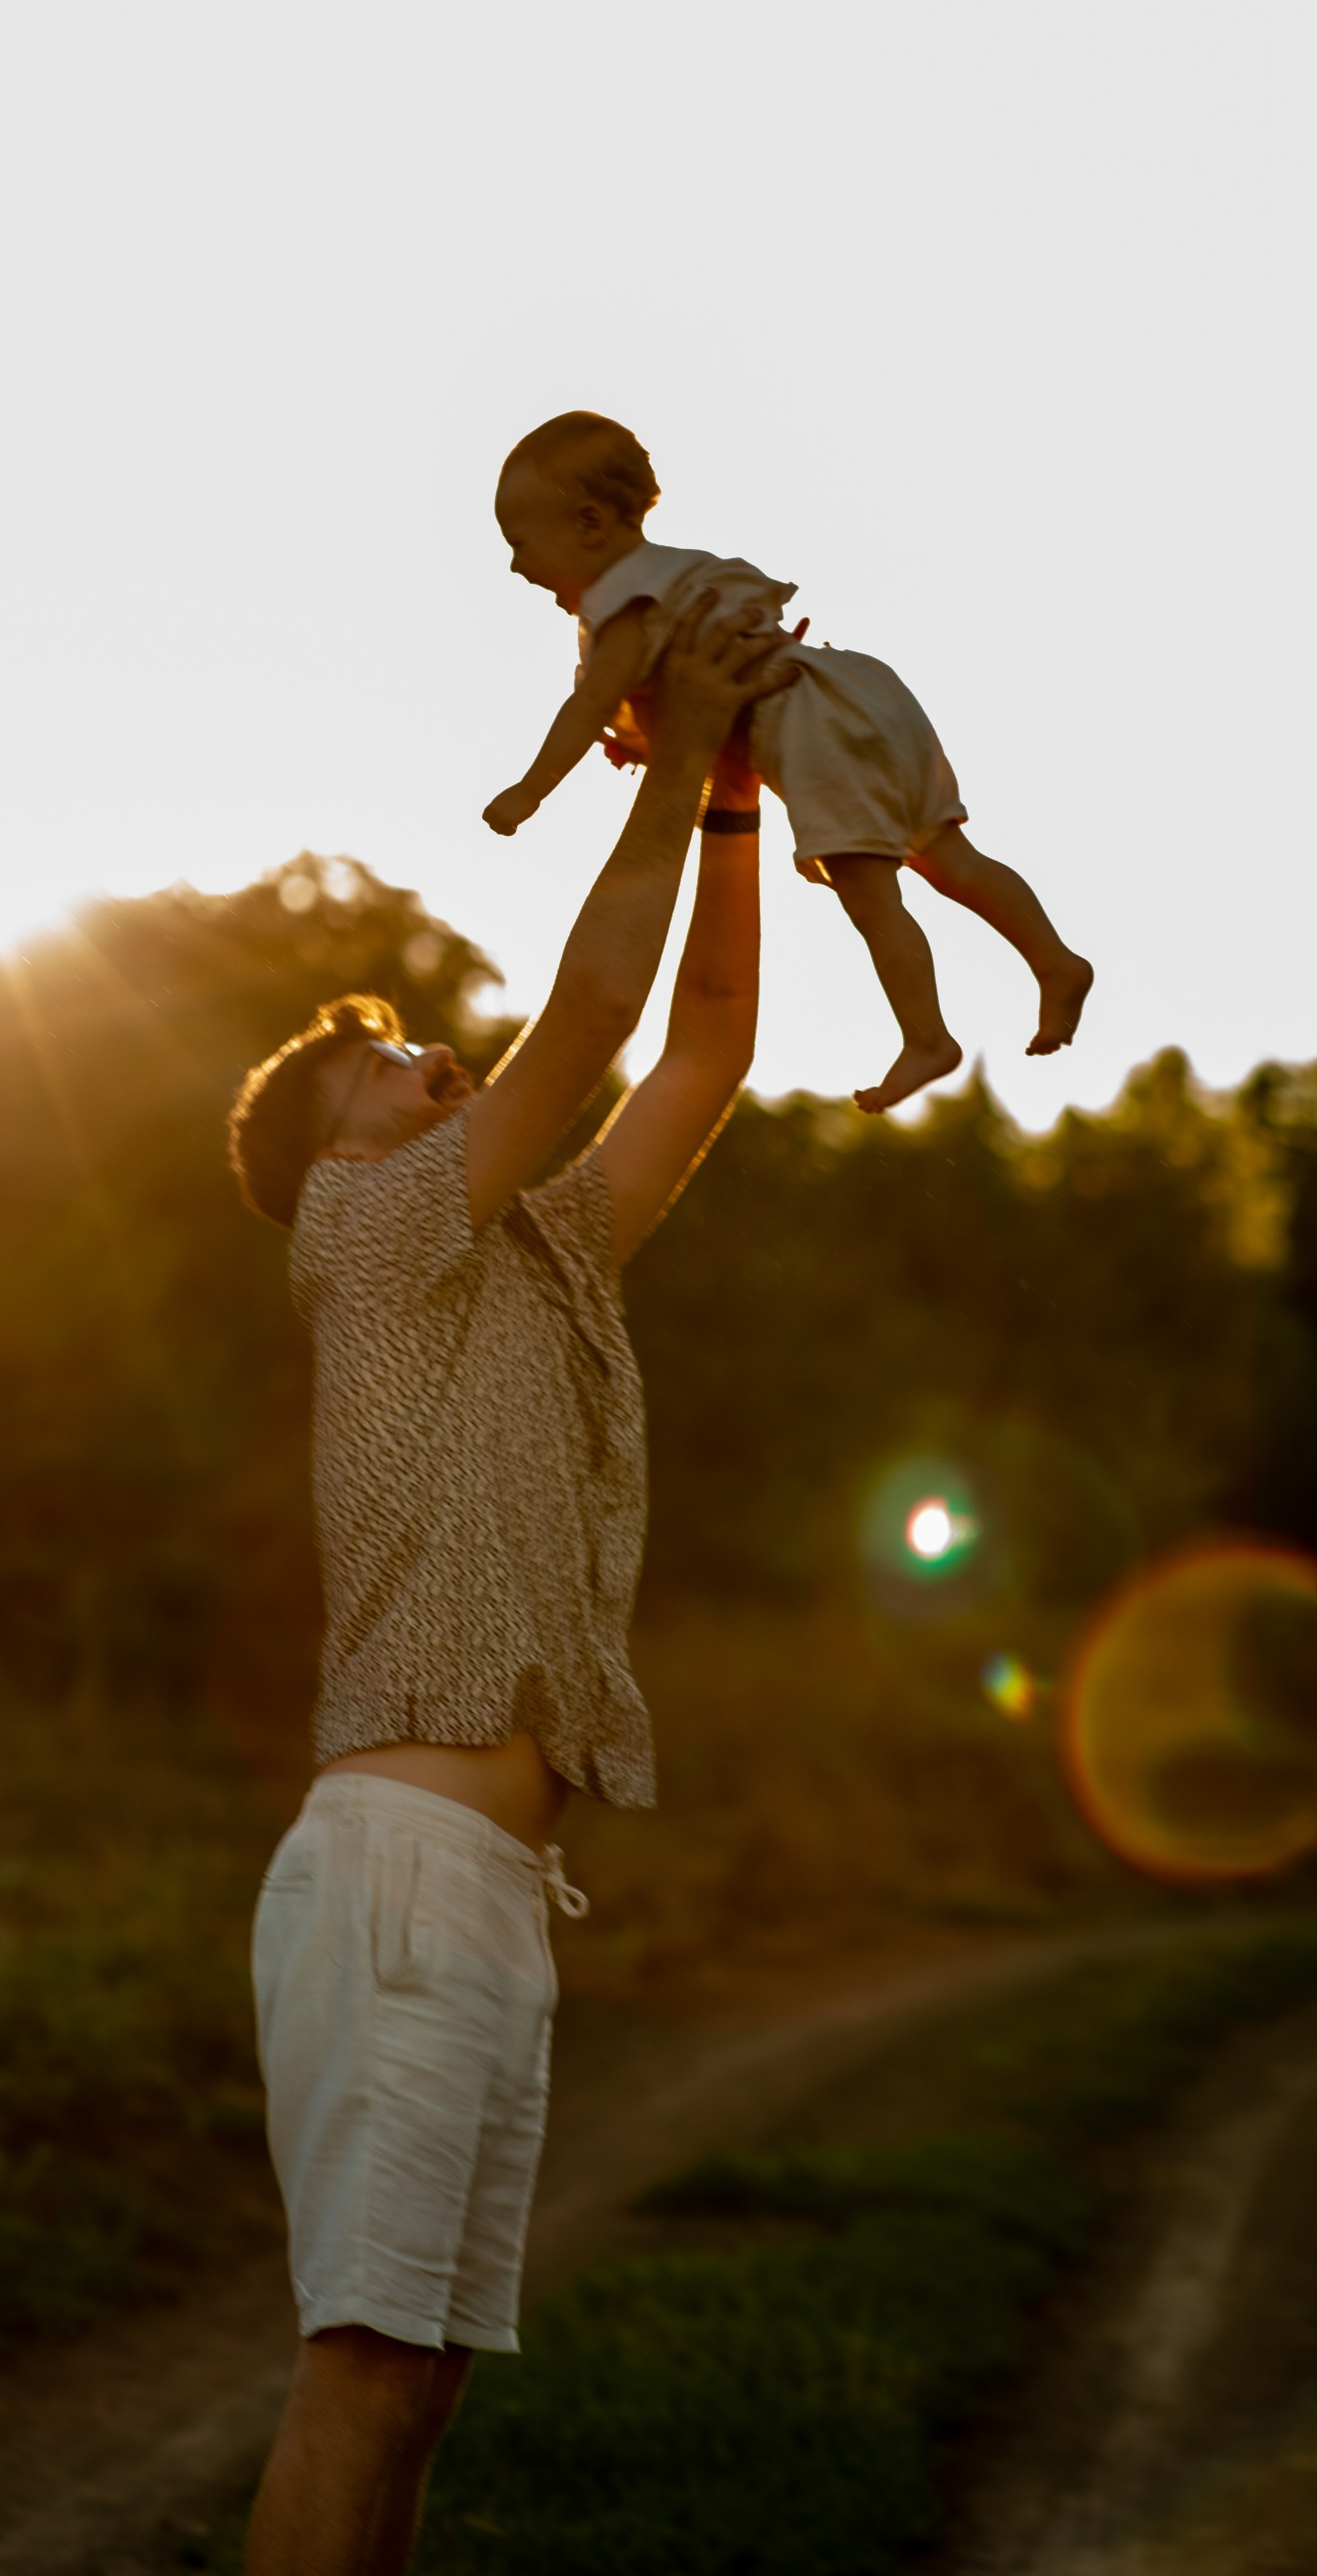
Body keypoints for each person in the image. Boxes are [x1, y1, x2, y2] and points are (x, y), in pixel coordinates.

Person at [225, 599, 786, 2576]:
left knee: (420, 2387)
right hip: (391, 1868)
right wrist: (689, 737)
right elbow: (592, 1024)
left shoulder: (534, 1250)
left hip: (484, 1891)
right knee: (358, 2375)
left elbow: (701, 1046)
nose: (427, 1057)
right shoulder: (366, 1236)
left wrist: (724, 802)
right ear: (327, 1163)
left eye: (409, 1042)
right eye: (380, 1066)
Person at [483, 409, 1093, 1115]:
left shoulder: (621, 601)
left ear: (589, 523)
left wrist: (527, 791)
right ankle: (1054, 960)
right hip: (856, 694)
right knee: (950, 858)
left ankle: (927, 1037)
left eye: (520, 542)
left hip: (809, 729)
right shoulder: (671, 573)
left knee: (871, 896)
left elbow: (587, 707)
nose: (515, 566)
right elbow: (680, 700)